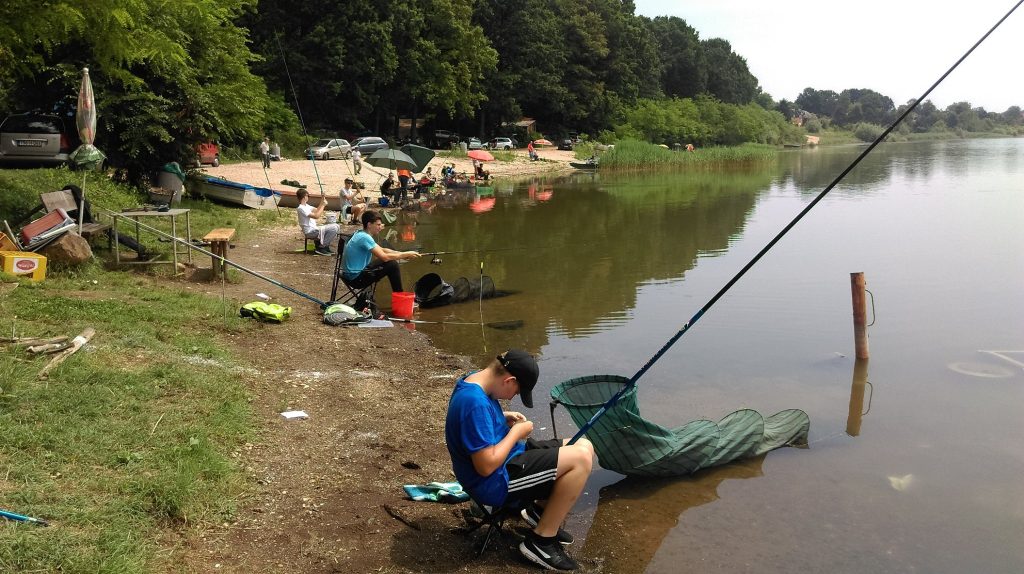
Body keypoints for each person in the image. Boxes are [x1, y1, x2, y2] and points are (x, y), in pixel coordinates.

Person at [445, 350, 595, 571]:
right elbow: (485, 467)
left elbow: (474, 423)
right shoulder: (473, 402)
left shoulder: (474, 380)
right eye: (517, 391)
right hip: (494, 482)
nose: (513, 397)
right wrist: (516, 433)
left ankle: (539, 513)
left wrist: (501, 418)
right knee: (580, 460)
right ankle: (541, 542)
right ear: (509, 380)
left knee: (584, 445)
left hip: (509, 459)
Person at [340, 210, 420, 292]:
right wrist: (405, 254)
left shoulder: (360, 233)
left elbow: (382, 249)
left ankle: (398, 295)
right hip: (355, 279)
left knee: (390, 262)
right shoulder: (365, 238)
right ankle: (400, 295)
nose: (380, 227)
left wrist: (402, 254)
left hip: (350, 274)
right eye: (378, 225)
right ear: (369, 225)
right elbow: (384, 257)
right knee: (392, 265)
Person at [296, 188, 339, 256]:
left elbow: (317, 210)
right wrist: (324, 205)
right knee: (334, 228)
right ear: (304, 197)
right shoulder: (301, 208)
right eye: (308, 196)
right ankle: (321, 247)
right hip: (310, 232)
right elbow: (316, 216)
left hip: (314, 229)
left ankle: (324, 246)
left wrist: (322, 198)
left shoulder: (306, 206)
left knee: (336, 225)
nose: (308, 197)